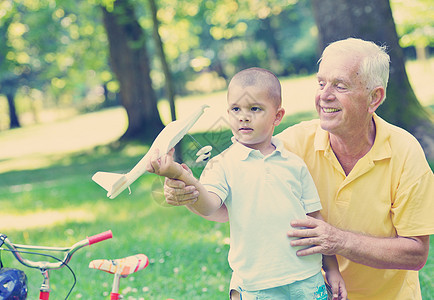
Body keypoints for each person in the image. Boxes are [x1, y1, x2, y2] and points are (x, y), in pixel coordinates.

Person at [163, 38, 434, 300]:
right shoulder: (288, 146)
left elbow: (416, 253)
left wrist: (337, 240)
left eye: (340, 86)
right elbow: (226, 205)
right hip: (308, 289)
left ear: (374, 98)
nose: (324, 96)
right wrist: (188, 191)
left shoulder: (404, 152)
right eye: (321, 83)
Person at [148, 67, 347, 300]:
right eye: (236, 109)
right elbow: (209, 205)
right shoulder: (222, 164)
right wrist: (180, 176)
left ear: (277, 116)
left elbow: (315, 220)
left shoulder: (294, 163)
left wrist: (332, 270)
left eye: (255, 109)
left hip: (306, 279)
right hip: (256, 286)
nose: (243, 116)